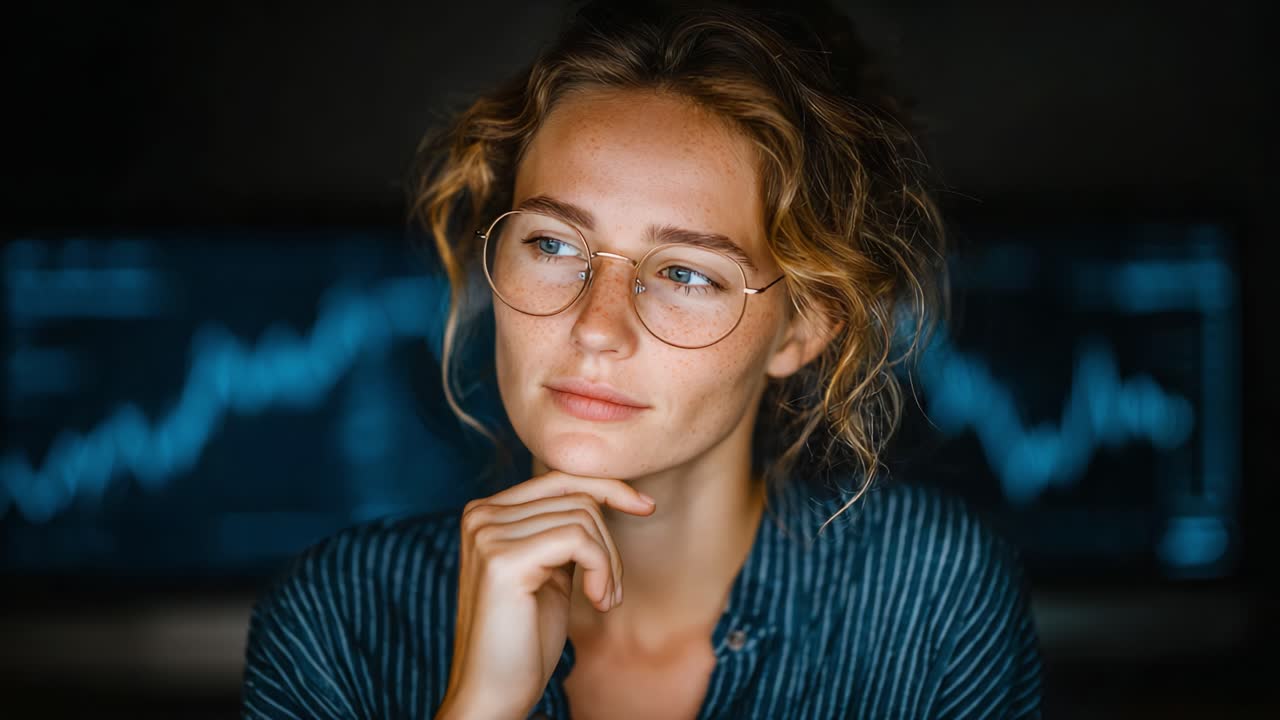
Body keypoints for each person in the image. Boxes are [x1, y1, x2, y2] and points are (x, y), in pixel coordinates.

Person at [241, 0, 1044, 717]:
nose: (596, 327)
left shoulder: (933, 594)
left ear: (803, 328)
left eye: (685, 274)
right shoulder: (339, 617)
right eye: (553, 244)